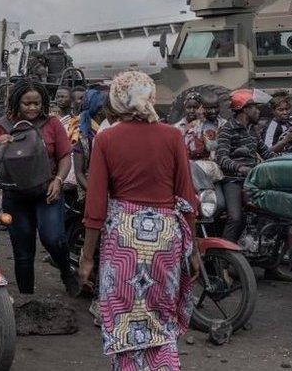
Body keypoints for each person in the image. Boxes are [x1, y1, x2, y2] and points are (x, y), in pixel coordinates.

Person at [78, 70, 200, 370]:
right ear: (151, 96)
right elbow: (186, 199)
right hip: (165, 237)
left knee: (123, 318)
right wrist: (194, 249)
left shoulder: (106, 138)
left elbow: (95, 205)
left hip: (123, 239)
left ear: (117, 101)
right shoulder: (173, 136)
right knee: (160, 318)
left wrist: (86, 256)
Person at [0, 79, 75, 296]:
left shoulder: (52, 124)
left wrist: (58, 180)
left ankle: (66, 270)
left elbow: (65, 156)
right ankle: (27, 298)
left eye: (37, 103)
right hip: (15, 196)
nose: (33, 107)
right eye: (27, 103)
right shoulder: (2, 126)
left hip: (47, 192)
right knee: (23, 250)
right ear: (17, 103)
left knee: (53, 237)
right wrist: (1, 144)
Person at [215, 88, 276, 242]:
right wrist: (240, 168)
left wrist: (285, 161)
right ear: (245, 109)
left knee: (269, 212)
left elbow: (266, 153)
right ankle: (223, 258)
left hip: (252, 179)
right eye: (255, 108)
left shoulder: (253, 130)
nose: (258, 112)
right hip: (233, 181)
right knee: (235, 218)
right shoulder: (228, 129)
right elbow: (221, 158)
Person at [184, 90, 225, 160]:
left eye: (215, 107)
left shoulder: (225, 124)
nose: (213, 111)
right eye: (209, 108)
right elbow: (194, 150)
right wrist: (204, 122)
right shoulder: (193, 126)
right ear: (201, 108)